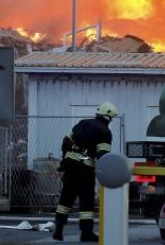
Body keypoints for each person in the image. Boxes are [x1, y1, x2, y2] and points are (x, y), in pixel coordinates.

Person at [53, 102, 118, 242]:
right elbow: (103, 155)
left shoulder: (82, 123)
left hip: (70, 167)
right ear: (109, 117)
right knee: (86, 202)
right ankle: (86, 233)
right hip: (85, 170)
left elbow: (66, 142)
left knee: (65, 199)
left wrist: (64, 161)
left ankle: (58, 230)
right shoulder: (105, 132)